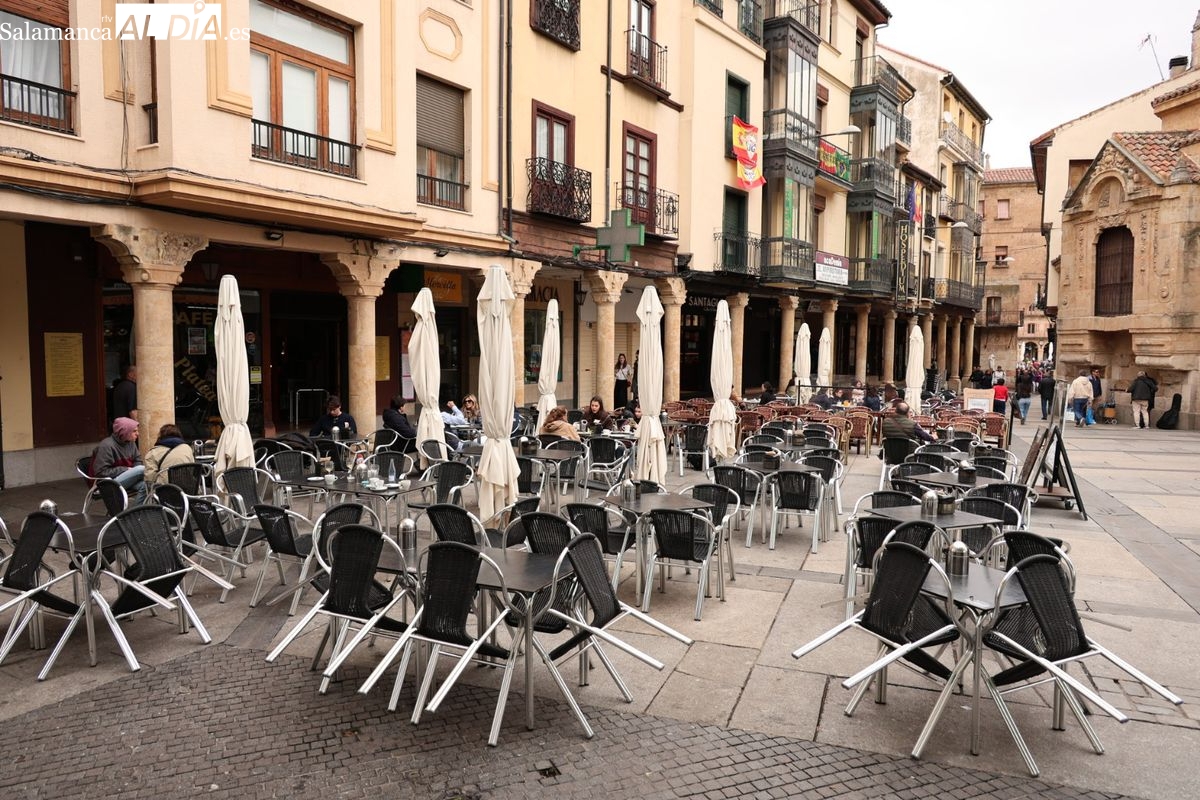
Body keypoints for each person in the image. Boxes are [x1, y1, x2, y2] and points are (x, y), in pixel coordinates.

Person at [94, 416, 146, 503]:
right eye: (134, 431)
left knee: (148, 485)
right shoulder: (106, 446)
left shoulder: (131, 443)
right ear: (124, 432)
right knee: (141, 469)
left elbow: (138, 460)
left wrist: (132, 473)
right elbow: (100, 472)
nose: (138, 434)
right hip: (108, 483)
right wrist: (126, 470)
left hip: (127, 478)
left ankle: (138, 510)